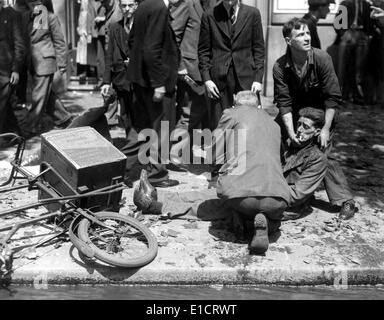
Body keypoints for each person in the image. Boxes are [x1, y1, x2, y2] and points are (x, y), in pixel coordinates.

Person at [273, 18, 356, 220]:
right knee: (281, 142)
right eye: (300, 34)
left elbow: (333, 98)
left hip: (321, 113)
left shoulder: (322, 58)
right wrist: (291, 132)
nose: (307, 37)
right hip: (294, 113)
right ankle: (295, 193)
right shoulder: (280, 66)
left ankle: (346, 201)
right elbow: (284, 103)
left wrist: (326, 128)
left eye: (308, 33)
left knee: (322, 150)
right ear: (288, 40)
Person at [125, 0, 180, 188]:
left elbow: (132, 41)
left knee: (141, 128)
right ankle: (157, 174)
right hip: (155, 82)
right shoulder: (158, 7)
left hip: (140, 80)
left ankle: (122, 169)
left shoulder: (144, 5)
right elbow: (151, 48)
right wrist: (158, 83)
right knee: (161, 129)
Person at [198, 0, 265, 130]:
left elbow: (259, 49)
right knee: (220, 125)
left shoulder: (253, 14)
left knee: (248, 124)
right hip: (219, 81)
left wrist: (258, 79)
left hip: (247, 80)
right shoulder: (209, 15)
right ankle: (221, 150)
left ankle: (243, 151)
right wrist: (207, 79)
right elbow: (203, 51)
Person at [168, 0, 215, 165]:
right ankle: (175, 154)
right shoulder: (188, 4)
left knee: (204, 113)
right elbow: (172, 35)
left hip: (208, 69)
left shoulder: (216, 5)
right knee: (189, 113)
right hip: (189, 70)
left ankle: (188, 154)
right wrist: (180, 66)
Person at [21, 0, 72, 136]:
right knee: (47, 95)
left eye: (36, 2)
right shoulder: (26, 17)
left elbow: (59, 42)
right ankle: (65, 119)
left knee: (39, 95)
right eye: (30, 2)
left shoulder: (49, 17)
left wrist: (62, 64)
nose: (33, 5)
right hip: (32, 62)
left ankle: (30, 127)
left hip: (45, 62)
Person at [101, 0, 138, 138]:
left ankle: (141, 150)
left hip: (139, 81)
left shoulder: (143, 26)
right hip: (121, 79)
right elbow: (109, 55)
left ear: (136, 5)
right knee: (126, 117)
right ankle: (132, 148)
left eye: (130, 5)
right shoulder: (115, 27)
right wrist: (106, 81)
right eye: (124, 6)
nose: (127, 9)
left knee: (139, 116)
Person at [334, 0, 379, 104]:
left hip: (362, 35)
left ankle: (357, 96)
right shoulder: (345, 3)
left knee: (359, 68)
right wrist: (343, 34)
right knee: (342, 67)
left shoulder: (367, 5)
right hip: (348, 33)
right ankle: (340, 95)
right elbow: (337, 22)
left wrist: (369, 35)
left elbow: (373, 22)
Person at [0, 0, 25, 136]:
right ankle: (16, 135)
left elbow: (19, 45)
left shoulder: (11, 16)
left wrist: (16, 69)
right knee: (5, 108)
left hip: (6, 72)